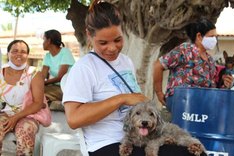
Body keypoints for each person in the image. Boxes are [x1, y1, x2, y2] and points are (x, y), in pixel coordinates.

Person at [63, 1, 205, 156]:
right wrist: (121, 99)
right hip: (107, 144)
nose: (112, 48)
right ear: (89, 35)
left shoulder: (126, 62)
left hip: (140, 138)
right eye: (103, 43)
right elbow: (74, 119)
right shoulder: (84, 67)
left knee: (197, 152)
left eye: (117, 40)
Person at [153, 18, 234, 107]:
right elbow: (158, 65)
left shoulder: (210, 60)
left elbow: (212, 88)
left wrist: (225, 84)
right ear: (199, 36)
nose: (214, 40)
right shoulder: (185, 50)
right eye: (211, 36)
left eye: (215, 36)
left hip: (201, 106)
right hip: (181, 102)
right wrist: (159, 93)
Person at [0, 40, 44, 155]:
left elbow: (38, 103)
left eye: (23, 52)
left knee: (25, 131)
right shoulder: (0, 72)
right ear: (8, 53)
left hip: (28, 115)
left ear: (27, 55)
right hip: (2, 114)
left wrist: (15, 117)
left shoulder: (34, 74)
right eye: (14, 51)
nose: (19, 54)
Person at [41, 29, 75, 103]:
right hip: (55, 86)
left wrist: (43, 83)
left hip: (67, 87)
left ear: (49, 41)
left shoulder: (65, 52)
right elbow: (42, 76)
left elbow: (60, 77)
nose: (42, 43)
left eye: (44, 40)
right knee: (35, 90)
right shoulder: (47, 56)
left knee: (39, 93)